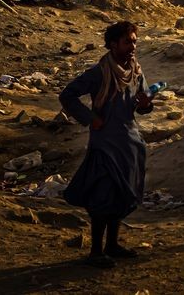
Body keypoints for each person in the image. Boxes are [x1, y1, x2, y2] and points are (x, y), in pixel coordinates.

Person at [59, 21, 153, 267]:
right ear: (113, 44)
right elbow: (67, 95)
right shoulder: (99, 72)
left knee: (123, 194)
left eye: (134, 41)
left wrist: (145, 104)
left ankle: (113, 244)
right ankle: (96, 251)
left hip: (129, 143)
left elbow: (141, 107)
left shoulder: (136, 71)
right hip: (105, 144)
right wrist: (91, 119)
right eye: (127, 42)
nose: (132, 46)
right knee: (103, 195)